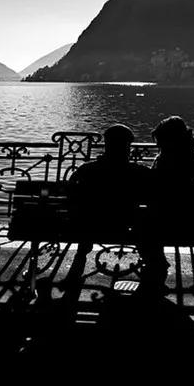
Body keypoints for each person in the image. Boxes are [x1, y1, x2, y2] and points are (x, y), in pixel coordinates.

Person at [59, 124, 154, 290]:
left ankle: (75, 271)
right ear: (127, 147)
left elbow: (69, 195)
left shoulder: (86, 169)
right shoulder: (139, 172)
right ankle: (153, 273)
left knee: (86, 220)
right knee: (146, 224)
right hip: (123, 226)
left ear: (107, 144)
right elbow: (155, 197)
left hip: (89, 226)